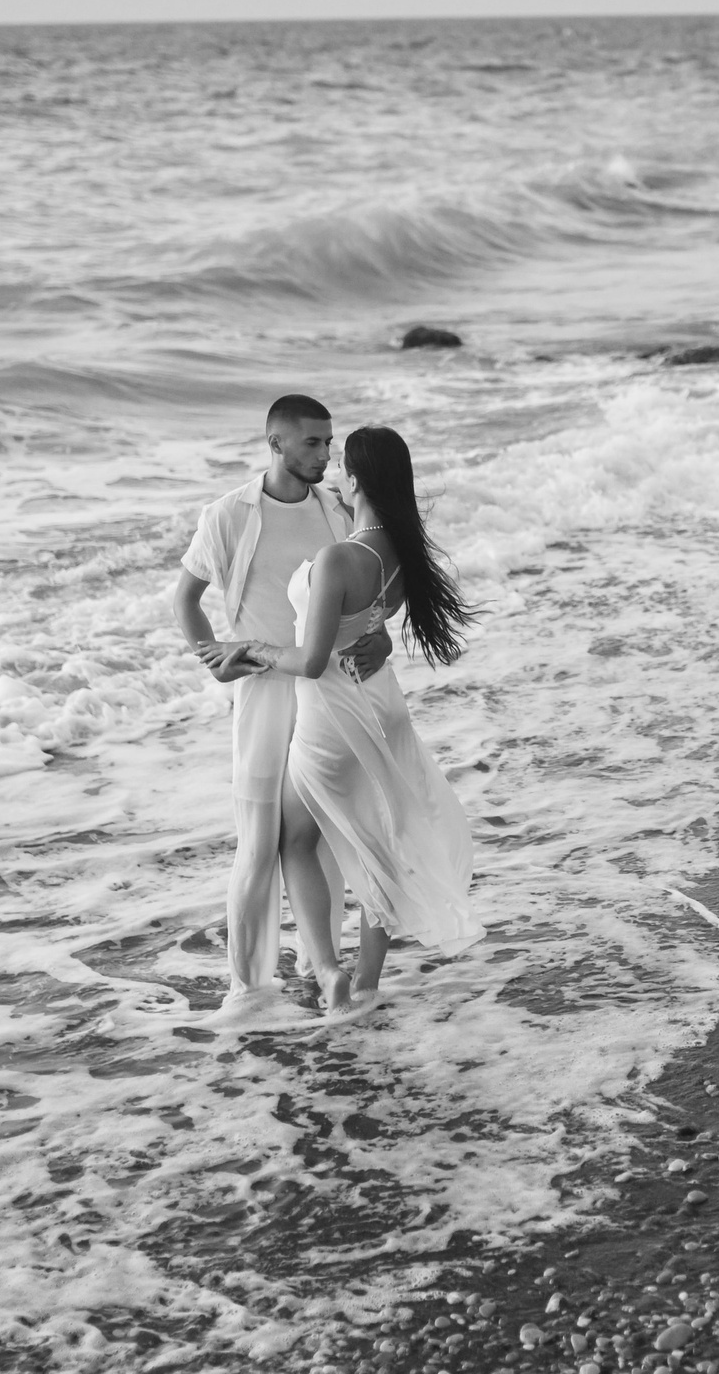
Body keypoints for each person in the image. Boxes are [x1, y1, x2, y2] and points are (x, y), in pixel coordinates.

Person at [236, 424, 482, 1013]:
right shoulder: (399, 550)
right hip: (381, 705)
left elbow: (312, 659)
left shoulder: (340, 555)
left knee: (294, 841)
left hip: (332, 719)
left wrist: (251, 651)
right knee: (381, 841)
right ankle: (367, 981)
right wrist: (385, 642)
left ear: (357, 477)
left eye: (342, 462)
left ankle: (327, 971)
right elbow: (374, 620)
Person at [171, 395, 394, 1007]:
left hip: (328, 693)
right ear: (276, 444)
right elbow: (185, 600)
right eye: (313, 443)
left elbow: (367, 595)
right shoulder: (229, 515)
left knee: (322, 831)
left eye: (329, 442)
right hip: (264, 694)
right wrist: (213, 660)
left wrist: (383, 640)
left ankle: (320, 965)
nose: (327, 453)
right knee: (260, 840)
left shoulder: (339, 511)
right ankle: (247, 988)